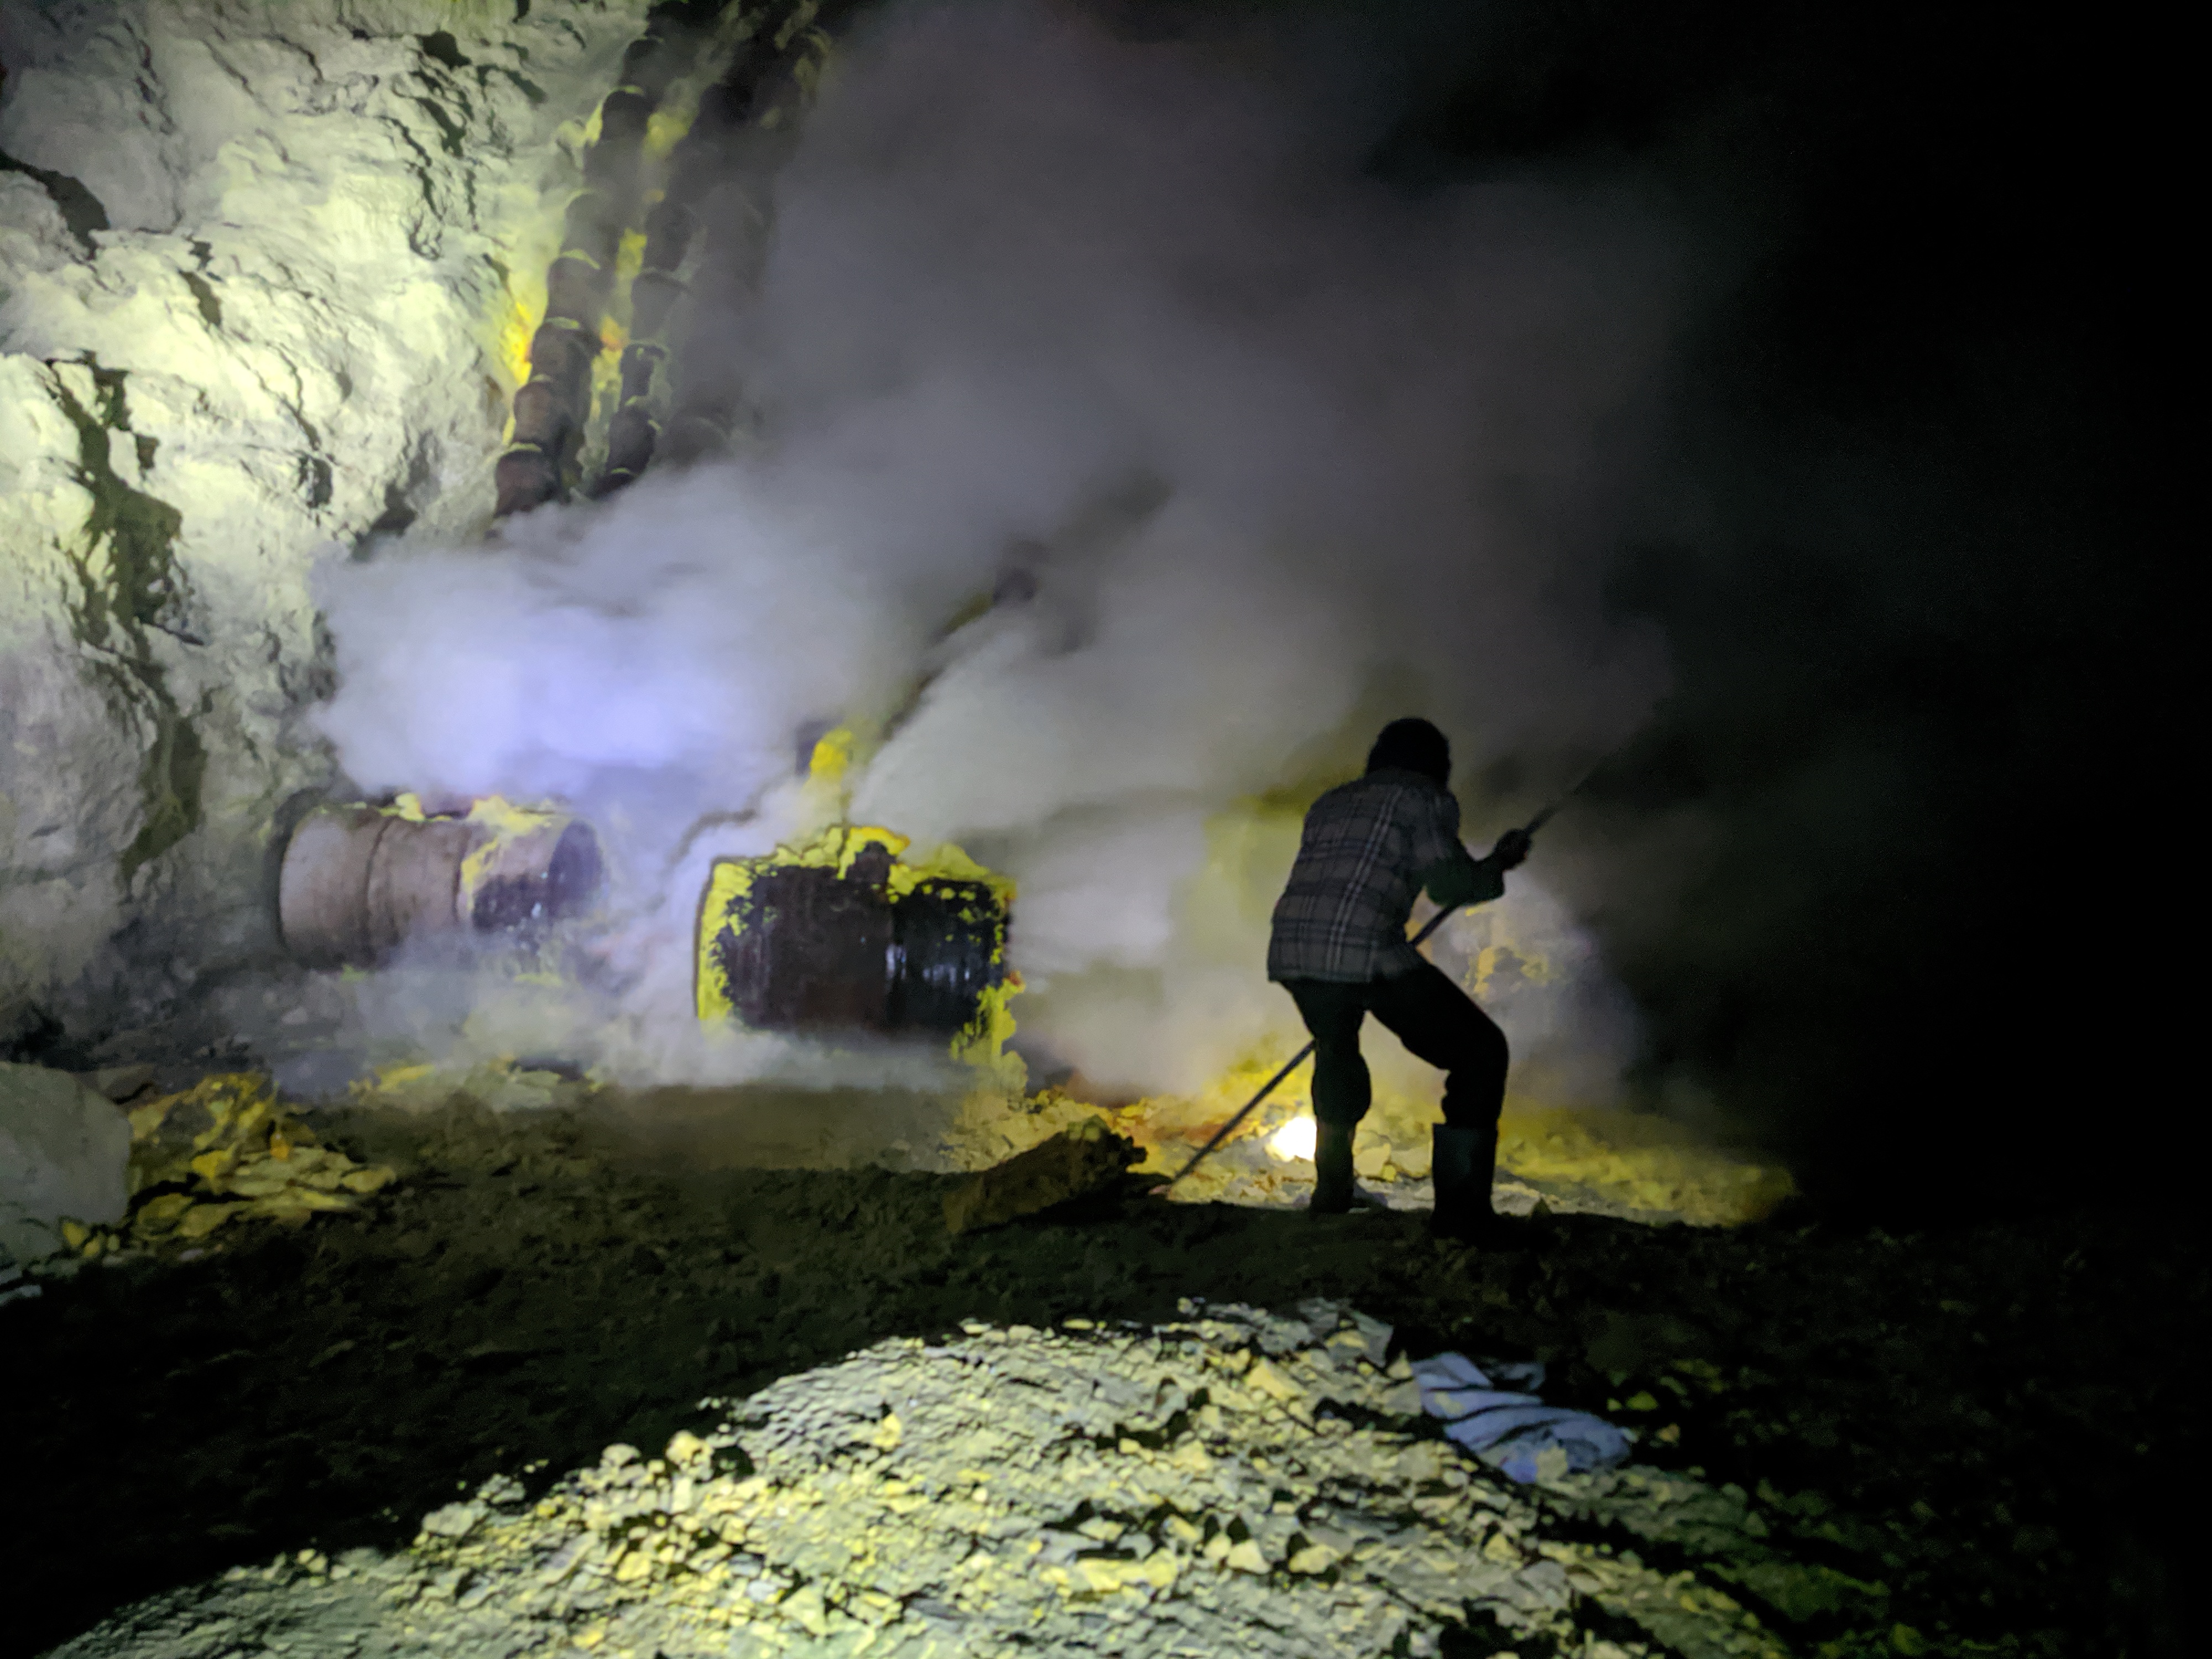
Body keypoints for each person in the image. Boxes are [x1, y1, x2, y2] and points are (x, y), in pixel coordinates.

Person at [1267, 717, 1531, 1238]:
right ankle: (1462, 1215)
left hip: (1293, 948)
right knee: (1480, 1053)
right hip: (1362, 947)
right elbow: (1450, 884)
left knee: (1336, 1051)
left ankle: (1333, 1191)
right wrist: (1499, 863)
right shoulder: (1423, 797)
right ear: (1436, 767)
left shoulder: (1332, 800)